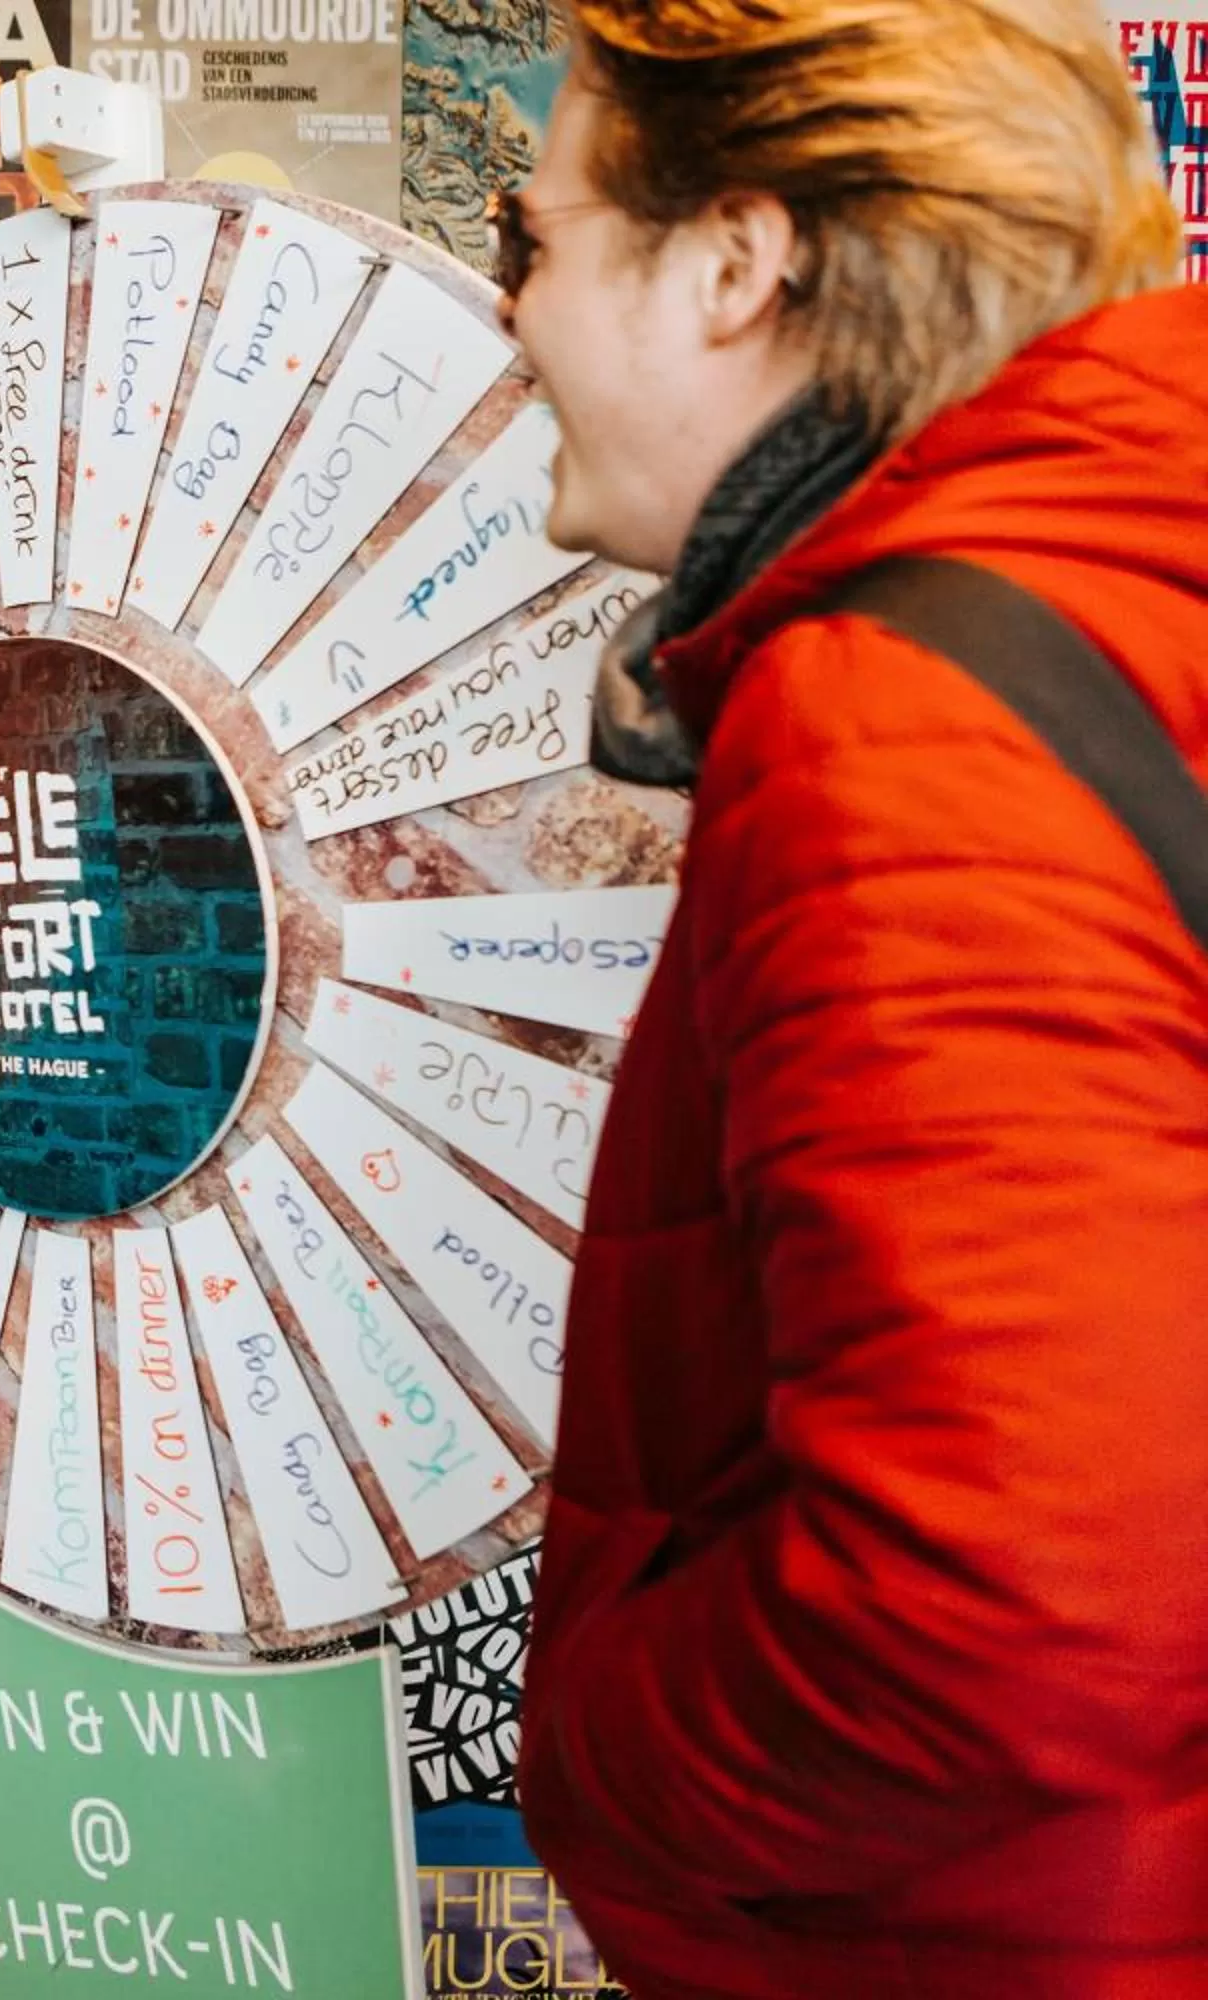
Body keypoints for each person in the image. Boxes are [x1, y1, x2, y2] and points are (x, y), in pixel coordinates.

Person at [497, 4, 1208, 1994]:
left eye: (526, 237)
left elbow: (1003, 1599)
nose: (514, 321)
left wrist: (596, 1761)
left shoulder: (896, 710)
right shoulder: (1123, 579)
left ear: (734, 264)